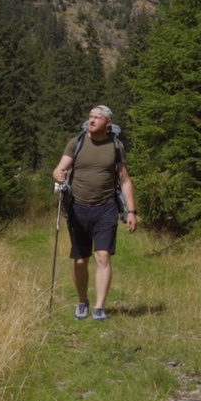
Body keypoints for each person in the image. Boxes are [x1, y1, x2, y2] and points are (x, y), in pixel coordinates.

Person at [51, 105, 137, 321]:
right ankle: (82, 301)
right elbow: (58, 168)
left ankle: (99, 307)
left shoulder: (115, 146)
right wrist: (58, 175)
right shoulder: (77, 142)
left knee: (103, 256)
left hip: (106, 208)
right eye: (90, 116)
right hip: (78, 208)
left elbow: (124, 180)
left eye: (97, 117)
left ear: (108, 122)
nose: (92, 120)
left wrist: (131, 211)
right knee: (80, 260)